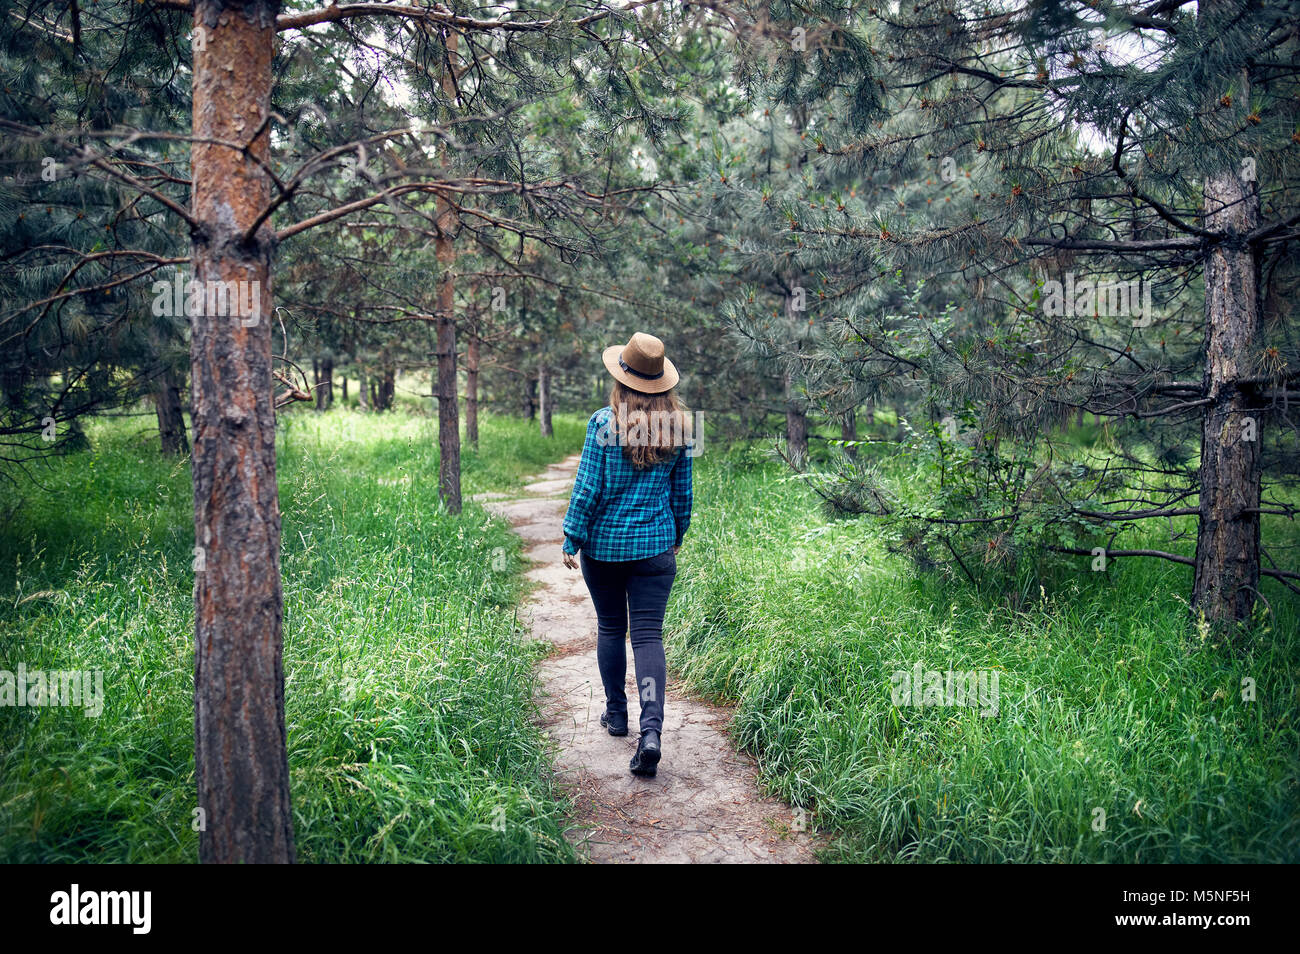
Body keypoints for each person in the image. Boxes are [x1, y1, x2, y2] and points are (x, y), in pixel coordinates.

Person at [561, 332, 693, 778]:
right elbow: (683, 494)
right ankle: (650, 731)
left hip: (604, 549)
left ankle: (616, 714)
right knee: (649, 637)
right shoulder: (678, 427)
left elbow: (588, 489)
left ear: (621, 379)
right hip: (656, 548)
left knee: (612, 628)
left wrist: (571, 536)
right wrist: (676, 535)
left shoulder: (603, 423)